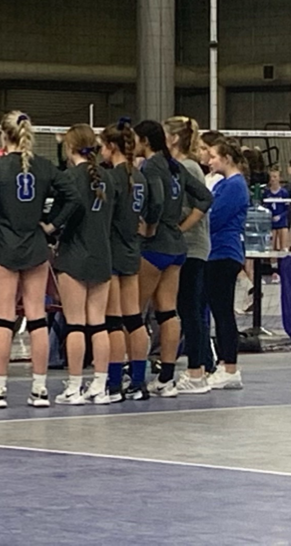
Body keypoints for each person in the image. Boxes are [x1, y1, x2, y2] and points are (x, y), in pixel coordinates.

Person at [0, 111, 78, 408]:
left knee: (3, 316)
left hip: (4, 247)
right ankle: (39, 389)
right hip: (35, 245)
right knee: (37, 316)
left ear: (3, 135)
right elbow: (72, 196)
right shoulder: (45, 166)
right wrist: (51, 224)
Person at [134, 120, 213, 398]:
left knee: (135, 312)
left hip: (155, 246)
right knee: (168, 312)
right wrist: (181, 227)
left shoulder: (152, 166)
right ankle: (166, 378)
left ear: (144, 140)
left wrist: (151, 226)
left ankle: (134, 378)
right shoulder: (176, 166)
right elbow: (204, 197)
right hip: (178, 248)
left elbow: (154, 202)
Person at [53, 123, 114, 405]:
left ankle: (74, 387)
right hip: (103, 254)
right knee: (99, 324)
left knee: (75, 324)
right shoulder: (109, 178)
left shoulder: (68, 178)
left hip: (75, 254)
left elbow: (61, 216)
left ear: (69, 147)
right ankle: (100, 385)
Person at [165, 117, 214, 395]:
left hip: (192, 248)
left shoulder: (189, 168)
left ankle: (197, 370)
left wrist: (179, 228)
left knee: (190, 309)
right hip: (184, 246)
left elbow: (199, 205)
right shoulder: (178, 166)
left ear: (173, 138)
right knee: (186, 309)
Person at [101, 117, 147, 403]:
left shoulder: (112, 178)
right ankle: (139, 382)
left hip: (114, 251)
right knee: (135, 318)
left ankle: (115, 383)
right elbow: (148, 215)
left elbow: (104, 218)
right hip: (133, 249)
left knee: (113, 321)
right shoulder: (141, 178)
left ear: (111, 147)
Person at [201, 139, 250, 391]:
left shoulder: (235, 185)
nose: (210, 161)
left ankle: (230, 366)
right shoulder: (224, 184)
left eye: (213, 157)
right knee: (219, 311)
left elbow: (215, 217)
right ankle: (224, 362)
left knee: (223, 312)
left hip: (224, 253)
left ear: (227, 159)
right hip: (215, 252)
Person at [263, 168, 291, 252]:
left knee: (283, 247)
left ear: (279, 178)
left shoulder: (284, 193)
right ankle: (273, 264)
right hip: (271, 223)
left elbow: (288, 208)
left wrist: (280, 216)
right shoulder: (267, 193)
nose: (272, 179)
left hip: (282, 222)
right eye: (271, 177)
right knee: (271, 248)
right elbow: (265, 207)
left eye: (275, 177)